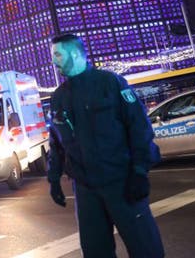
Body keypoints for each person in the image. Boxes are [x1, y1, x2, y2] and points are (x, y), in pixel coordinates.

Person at [47, 33, 164, 258]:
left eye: (57, 55)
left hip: (121, 182)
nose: (54, 61)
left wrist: (140, 171)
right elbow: (56, 142)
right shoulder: (59, 97)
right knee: (95, 252)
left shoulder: (110, 83)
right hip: (85, 190)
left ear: (74, 53)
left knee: (146, 249)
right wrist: (53, 179)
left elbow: (139, 128)